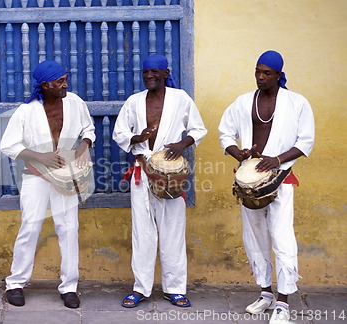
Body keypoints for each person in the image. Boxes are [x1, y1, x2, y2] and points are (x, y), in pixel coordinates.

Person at [218, 50, 315, 323]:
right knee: (254, 238)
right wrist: (236, 151)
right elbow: (225, 131)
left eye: (267, 73)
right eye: (258, 71)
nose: (260, 77)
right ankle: (265, 293)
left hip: (280, 180)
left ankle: (283, 301)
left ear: (278, 75)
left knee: (282, 237)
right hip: (249, 182)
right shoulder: (243, 102)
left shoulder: (296, 103)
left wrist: (277, 159)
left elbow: (305, 141)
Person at [113, 54, 207, 308]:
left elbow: (198, 130)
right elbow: (119, 132)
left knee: (173, 231)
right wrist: (137, 137)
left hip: (172, 175)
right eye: (145, 72)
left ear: (166, 73)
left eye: (155, 72)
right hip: (142, 173)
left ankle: (174, 288)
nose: (149, 76)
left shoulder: (181, 99)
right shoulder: (134, 102)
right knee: (142, 232)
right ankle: (140, 288)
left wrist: (181, 144)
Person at [0, 60, 95, 309]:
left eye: (65, 79)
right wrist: (41, 157)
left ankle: (69, 286)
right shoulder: (26, 111)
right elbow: (8, 144)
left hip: (66, 175)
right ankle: (16, 283)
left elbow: (89, 128)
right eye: (60, 81)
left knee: (68, 228)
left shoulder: (75, 103)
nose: (65, 84)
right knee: (30, 227)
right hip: (35, 176)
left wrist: (84, 146)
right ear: (45, 85)